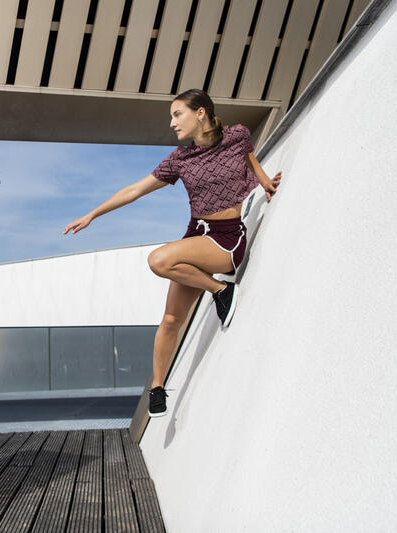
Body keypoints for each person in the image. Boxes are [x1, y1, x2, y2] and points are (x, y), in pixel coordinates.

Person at [63, 89, 282, 417]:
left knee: (159, 259)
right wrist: (93, 214)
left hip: (226, 238)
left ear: (201, 113)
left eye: (177, 114)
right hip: (195, 236)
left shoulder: (237, 135)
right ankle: (158, 387)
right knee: (169, 320)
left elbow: (249, 156)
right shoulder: (180, 158)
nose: (172, 123)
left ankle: (222, 290)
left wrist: (264, 181)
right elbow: (135, 189)